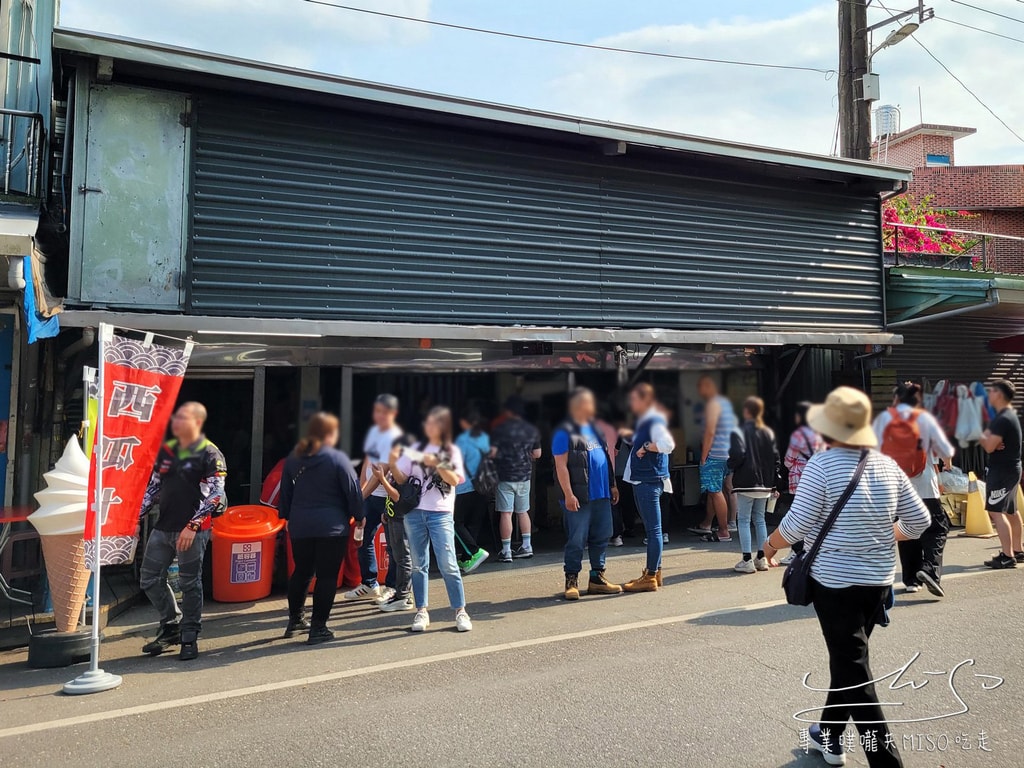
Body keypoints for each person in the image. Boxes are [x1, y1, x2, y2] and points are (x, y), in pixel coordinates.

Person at [763, 387, 929, 768]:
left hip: (834, 584)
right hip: (877, 582)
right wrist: (889, 534)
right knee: (849, 660)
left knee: (855, 670)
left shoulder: (822, 466)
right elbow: (919, 521)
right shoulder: (887, 465)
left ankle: (886, 763)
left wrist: (770, 546)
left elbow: (797, 525)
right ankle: (830, 736)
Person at [139, 402, 227, 661]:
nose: (176, 423)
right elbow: (153, 489)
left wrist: (193, 525)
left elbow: (216, 493)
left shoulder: (210, 452)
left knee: (190, 584)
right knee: (149, 578)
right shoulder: (167, 451)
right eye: (175, 418)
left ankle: (190, 635)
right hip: (163, 527)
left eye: (182, 419)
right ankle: (171, 625)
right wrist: (135, 519)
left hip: (193, 531)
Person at [278, 413, 366, 645]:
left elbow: (285, 493)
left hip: (300, 526)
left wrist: (285, 516)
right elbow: (353, 490)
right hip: (332, 527)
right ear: (329, 434)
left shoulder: (294, 458)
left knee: (302, 572)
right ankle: (318, 628)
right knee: (327, 576)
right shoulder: (337, 459)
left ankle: (295, 620)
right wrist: (359, 517)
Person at [391, 406, 473, 632]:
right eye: (427, 423)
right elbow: (401, 478)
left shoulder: (450, 450)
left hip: (441, 513)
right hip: (414, 512)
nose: (429, 427)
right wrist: (391, 462)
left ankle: (460, 611)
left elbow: (456, 480)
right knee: (419, 565)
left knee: (448, 564)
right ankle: (421, 611)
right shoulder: (415, 449)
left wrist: (437, 462)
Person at [872, 382, 955, 595]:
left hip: (896, 489)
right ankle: (929, 569)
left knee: (906, 530)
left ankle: (911, 580)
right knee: (937, 528)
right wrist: (947, 464)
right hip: (924, 486)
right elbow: (945, 452)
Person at [552, 388, 623, 600]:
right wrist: (568, 494)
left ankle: (597, 578)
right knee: (577, 539)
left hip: (601, 494)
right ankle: (571, 579)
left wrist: (612, 484)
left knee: (601, 536)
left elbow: (606, 458)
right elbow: (560, 466)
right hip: (580, 496)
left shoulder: (594, 429)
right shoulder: (563, 432)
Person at [344, 394, 403, 603]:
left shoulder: (396, 438)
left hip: (387, 497)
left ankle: (392, 586)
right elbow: (367, 464)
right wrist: (360, 489)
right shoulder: (374, 434)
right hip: (368, 496)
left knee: (393, 545)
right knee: (362, 538)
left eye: (383, 412)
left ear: (393, 414)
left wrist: (360, 496)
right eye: (376, 411)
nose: (379, 416)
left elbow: (381, 474)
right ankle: (369, 583)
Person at [622, 383, 675, 593]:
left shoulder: (653, 420)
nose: (631, 403)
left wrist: (645, 447)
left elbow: (668, 444)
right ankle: (655, 572)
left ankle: (651, 575)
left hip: (648, 481)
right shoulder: (647, 421)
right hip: (646, 479)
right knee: (654, 529)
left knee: (653, 530)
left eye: (634, 399)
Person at [729, 397, 780, 574]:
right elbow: (776, 459)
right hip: (765, 483)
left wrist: (730, 464)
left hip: (746, 482)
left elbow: (737, 454)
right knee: (760, 519)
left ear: (746, 412)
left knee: (743, 520)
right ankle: (761, 557)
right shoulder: (768, 432)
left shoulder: (739, 431)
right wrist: (774, 483)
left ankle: (746, 560)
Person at [491, 396, 542, 562]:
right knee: (522, 511)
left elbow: (491, 452)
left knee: (506, 514)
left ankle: (506, 551)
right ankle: (527, 546)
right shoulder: (531, 430)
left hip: (505, 476)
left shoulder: (500, 429)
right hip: (524, 476)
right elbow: (537, 454)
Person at [979, 379, 1023, 569]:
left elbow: (988, 446)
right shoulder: (1007, 415)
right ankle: (1018, 550)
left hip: (1002, 470)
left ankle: (1007, 555)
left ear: (999, 394)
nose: (989, 395)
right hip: (1011, 467)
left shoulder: (1002, 418)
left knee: (996, 511)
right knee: (1012, 511)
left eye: (992, 391)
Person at [687, 376, 736, 542]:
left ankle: (723, 531)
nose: (699, 392)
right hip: (727, 454)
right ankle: (707, 524)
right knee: (714, 490)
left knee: (716, 492)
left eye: (700, 388)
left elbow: (710, 431)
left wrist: (703, 457)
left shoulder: (713, 404)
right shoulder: (725, 404)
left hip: (715, 454)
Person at [780, 401, 824, 564]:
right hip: (816, 479)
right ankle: (812, 549)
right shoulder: (819, 434)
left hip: (799, 480)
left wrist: (794, 465)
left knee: (797, 516)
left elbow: (788, 460)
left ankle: (796, 550)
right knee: (815, 515)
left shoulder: (798, 435)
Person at [454, 408, 490, 573]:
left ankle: (473, 552)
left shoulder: (462, 440)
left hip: (463, 487)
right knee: (474, 523)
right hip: (483, 485)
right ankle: (467, 559)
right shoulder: (484, 438)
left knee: (456, 523)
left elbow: (455, 463)